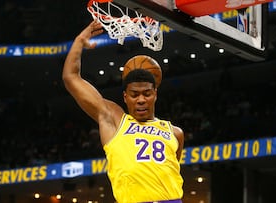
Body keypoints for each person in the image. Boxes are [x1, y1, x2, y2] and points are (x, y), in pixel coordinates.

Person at [62, 20, 184, 203]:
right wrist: (79, 41)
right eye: (135, 95)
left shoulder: (175, 133)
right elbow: (71, 78)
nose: (141, 99)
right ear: (125, 97)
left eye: (146, 94)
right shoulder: (115, 120)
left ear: (155, 94)